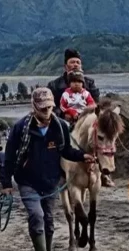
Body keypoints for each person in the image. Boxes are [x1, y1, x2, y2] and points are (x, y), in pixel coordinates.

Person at [2, 87, 95, 251]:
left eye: (49, 107)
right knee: (37, 216)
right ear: (34, 106)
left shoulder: (59, 126)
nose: (46, 111)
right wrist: (5, 184)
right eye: (42, 108)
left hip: (51, 181)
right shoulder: (21, 128)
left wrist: (82, 156)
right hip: (27, 181)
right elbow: (10, 156)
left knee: (49, 220)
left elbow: (66, 150)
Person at [47, 49, 113, 188]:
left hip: (86, 119)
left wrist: (87, 115)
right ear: (66, 66)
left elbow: (95, 103)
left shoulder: (89, 83)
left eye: (78, 62)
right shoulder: (54, 85)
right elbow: (51, 106)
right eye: (72, 62)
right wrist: (63, 114)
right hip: (64, 119)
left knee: (103, 136)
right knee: (54, 139)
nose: (75, 64)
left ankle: (104, 173)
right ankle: (55, 172)